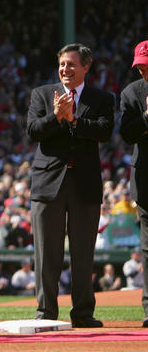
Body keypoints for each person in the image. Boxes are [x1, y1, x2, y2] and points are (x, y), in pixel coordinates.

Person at [27, 43, 114, 327]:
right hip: (47, 183)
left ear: (86, 67)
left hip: (85, 185)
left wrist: (74, 121)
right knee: (46, 253)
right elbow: (33, 131)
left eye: (72, 64)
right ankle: (46, 313)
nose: (65, 69)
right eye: (62, 64)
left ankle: (83, 313)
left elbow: (105, 131)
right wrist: (56, 116)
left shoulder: (101, 98)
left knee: (83, 252)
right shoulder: (41, 94)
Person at [119, 40, 148, 328]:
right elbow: (126, 134)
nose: (142, 70)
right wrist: (147, 117)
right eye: (139, 65)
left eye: (146, 65)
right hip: (146, 178)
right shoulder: (131, 93)